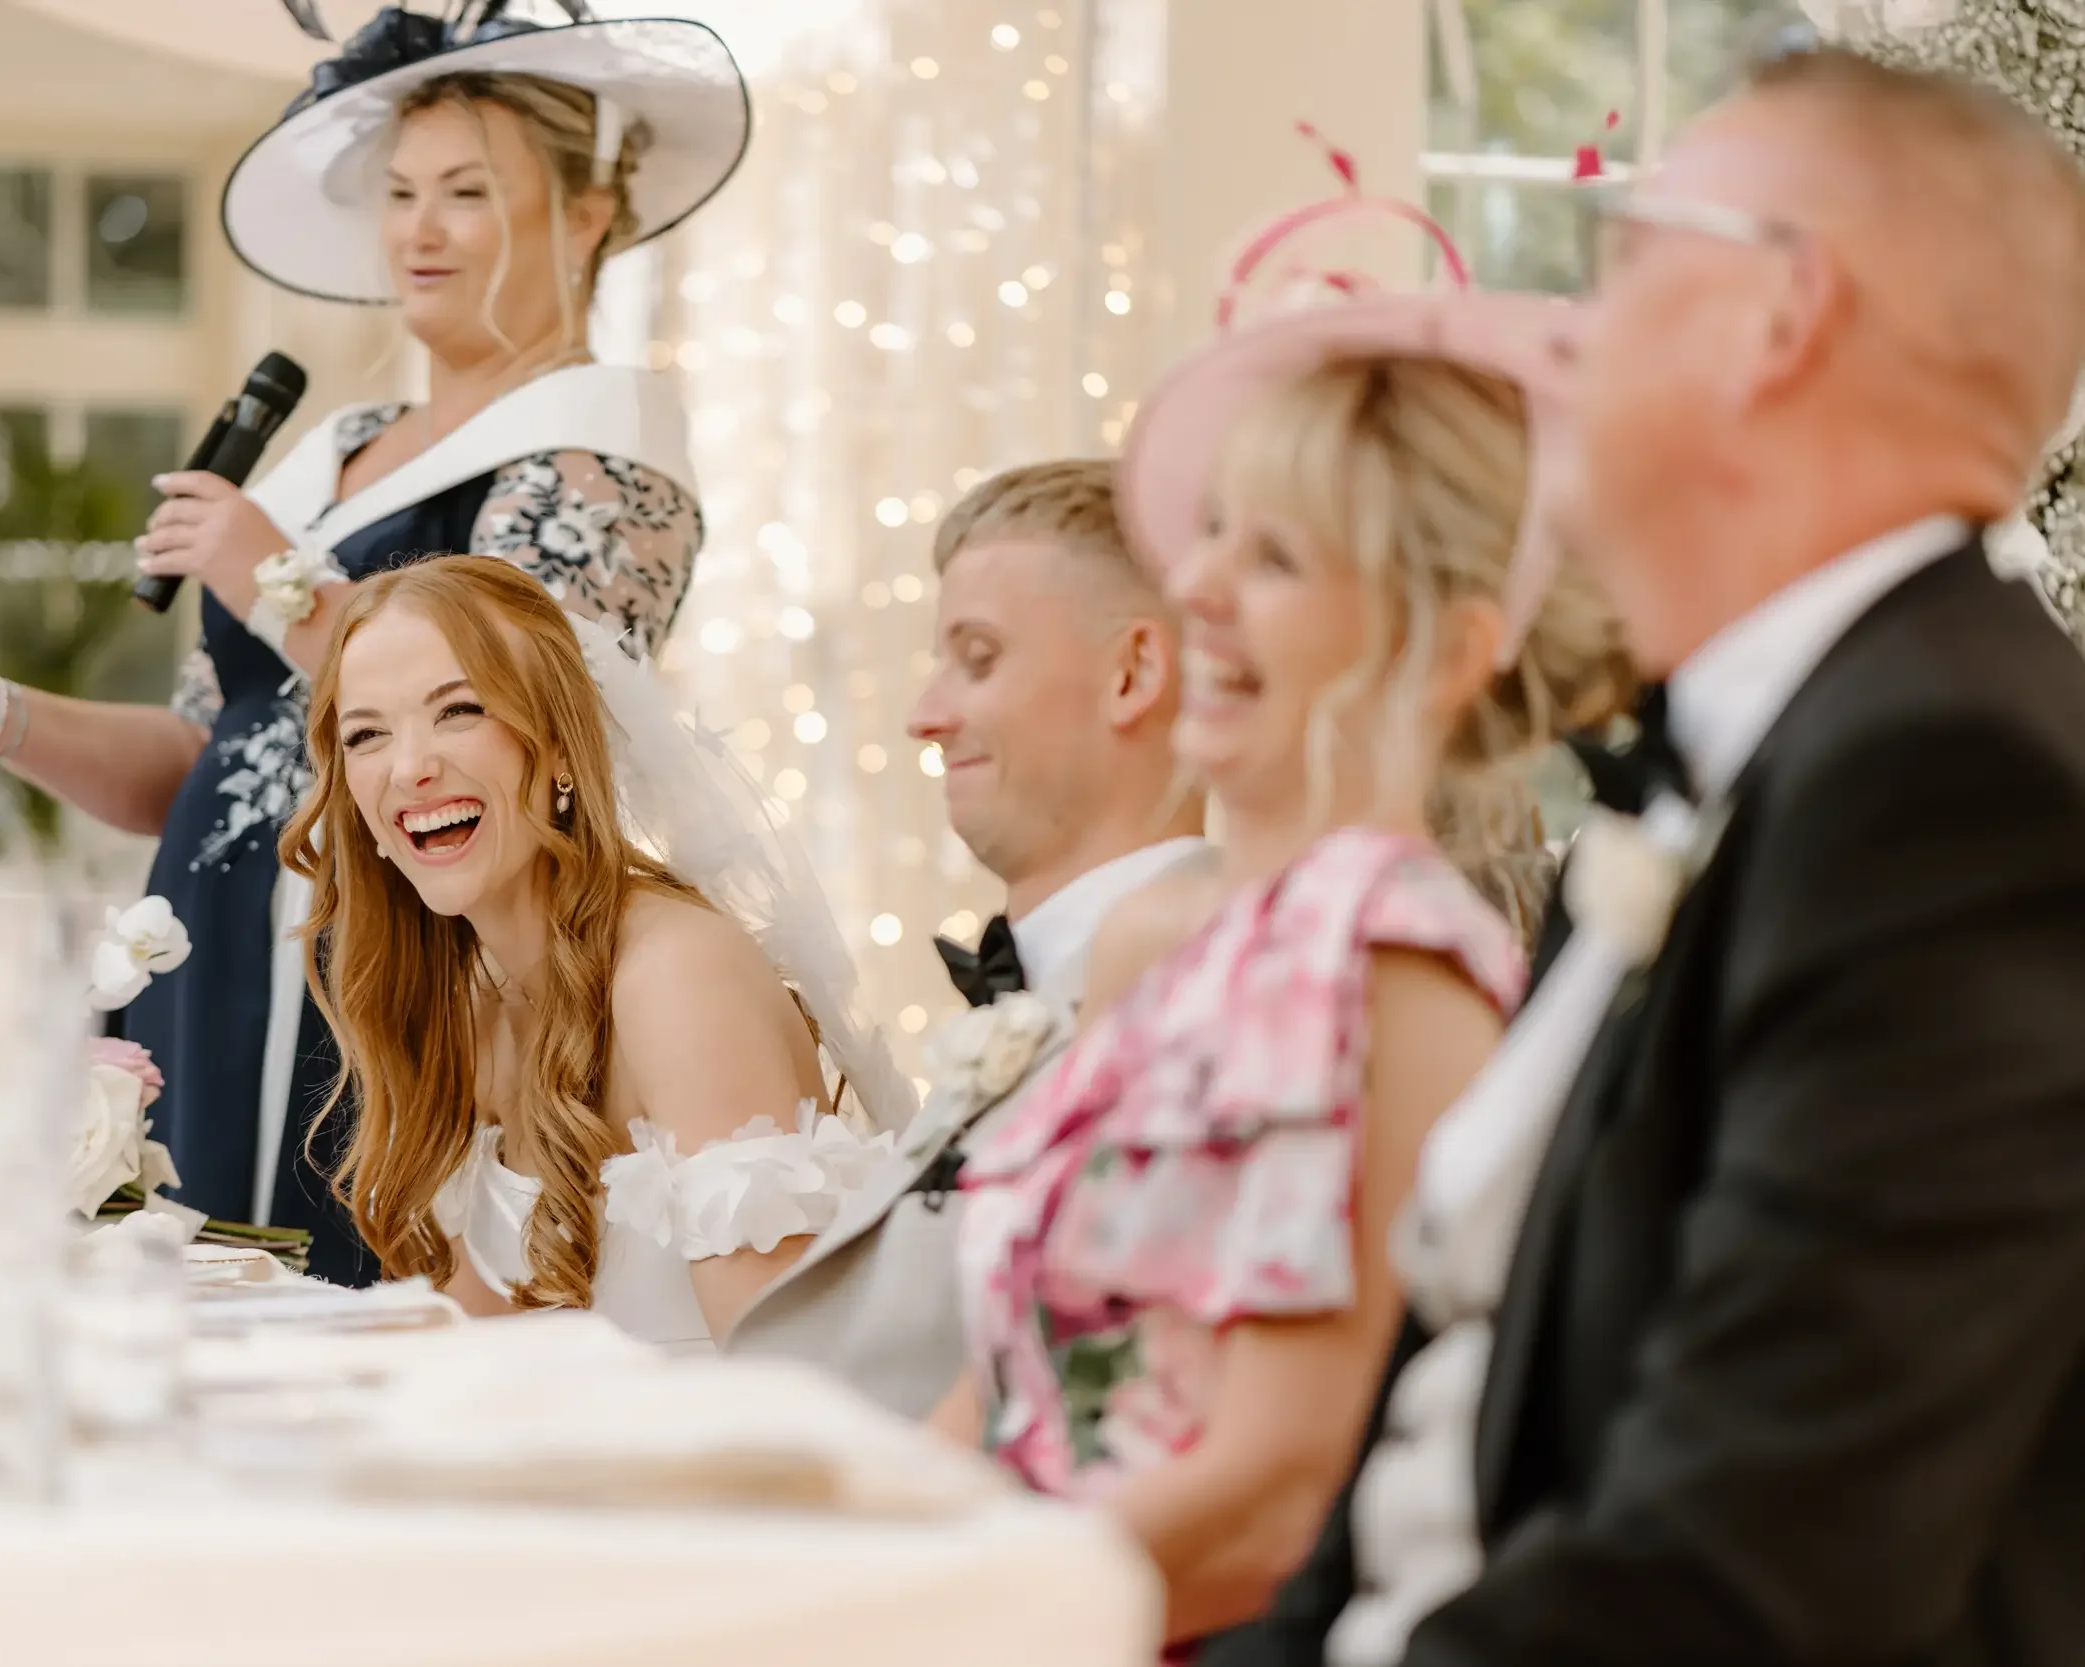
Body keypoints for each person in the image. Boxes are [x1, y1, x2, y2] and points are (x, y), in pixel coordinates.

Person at [1332, 47, 2085, 1667]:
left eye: (1621, 260)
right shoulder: (1733, 768)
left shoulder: (1954, 789)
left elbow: (1762, 1557)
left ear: (1777, 317)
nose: (1564, 329)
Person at [0, 2, 750, 1282]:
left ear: (587, 214)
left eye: (465, 193)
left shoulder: (600, 450)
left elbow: (535, 713)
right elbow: (211, 754)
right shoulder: (336, 448)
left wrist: (273, 581)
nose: (417, 231)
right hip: (202, 955)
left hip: (380, 962)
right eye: (398, 192)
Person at [935, 211, 1630, 1658]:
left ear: (1444, 649)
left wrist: (936, 1611)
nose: (1194, 590)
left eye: (1279, 558)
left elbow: (1280, 1489)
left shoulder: (1404, 968)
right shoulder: (1151, 937)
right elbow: (1008, 1381)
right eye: (1209, 541)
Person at [277, 555, 905, 1349]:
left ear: (563, 747)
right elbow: (468, 1342)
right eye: (367, 733)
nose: (410, 767)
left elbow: (784, 1374)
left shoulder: (676, 978)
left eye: (460, 710)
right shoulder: (477, 993)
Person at [721, 460, 1211, 1411]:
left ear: (1134, 673)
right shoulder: (1054, 986)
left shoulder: (1197, 983)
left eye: (977, 658)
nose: (923, 716)